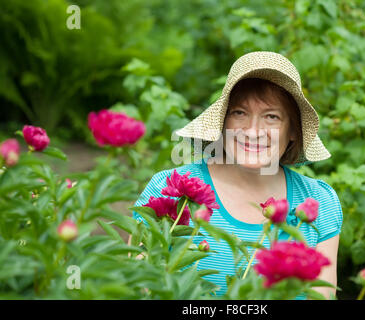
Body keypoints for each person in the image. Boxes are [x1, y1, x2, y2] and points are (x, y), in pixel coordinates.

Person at [131, 51, 343, 300]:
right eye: (239, 113)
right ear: (223, 122)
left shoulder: (319, 203)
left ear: (293, 131)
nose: (253, 132)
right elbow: (137, 288)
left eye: (271, 117)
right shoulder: (171, 189)